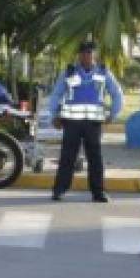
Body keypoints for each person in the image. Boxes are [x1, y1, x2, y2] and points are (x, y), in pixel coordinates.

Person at [48, 39, 123, 203]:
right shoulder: (69, 72)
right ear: (79, 55)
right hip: (72, 123)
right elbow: (56, 94)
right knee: (67, 157)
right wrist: (54, 115)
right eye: (83, 53)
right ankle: (59, 190)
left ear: (94, 54)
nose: (86, 56)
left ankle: (98, 192)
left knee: (95, 158)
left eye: (89, 52)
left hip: (93, 124)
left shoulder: (103, 73)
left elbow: (117, 94)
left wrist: (113, 114)